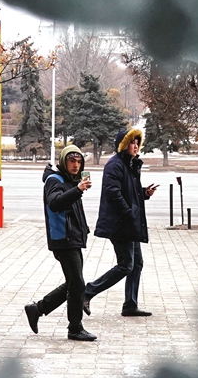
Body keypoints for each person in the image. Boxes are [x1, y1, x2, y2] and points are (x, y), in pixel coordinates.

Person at [24, 145, 97, 341]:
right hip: (63, 238)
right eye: (72, 161)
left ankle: (37, 308)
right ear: (64, 161)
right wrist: (77, 190)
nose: (76, 165)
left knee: (74, 283)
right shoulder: (54, 180)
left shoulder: (69, 180)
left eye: (79, 162)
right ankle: (75, 327)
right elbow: (55, 203)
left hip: (73, 237)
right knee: (77, 283)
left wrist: (77, 188)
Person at [84, 128, 158, 317]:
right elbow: (113, 193)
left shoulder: (130, 165)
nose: (135, 146)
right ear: (124, 145)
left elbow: (129, 192)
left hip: (129, 223)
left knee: (137, 263)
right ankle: (88, 291)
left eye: (137, 142)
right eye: (132, 142)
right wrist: (128, 213)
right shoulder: (114, 165)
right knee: (126, 264)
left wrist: (144, 193)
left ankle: (130, 305)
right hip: (120, 224)